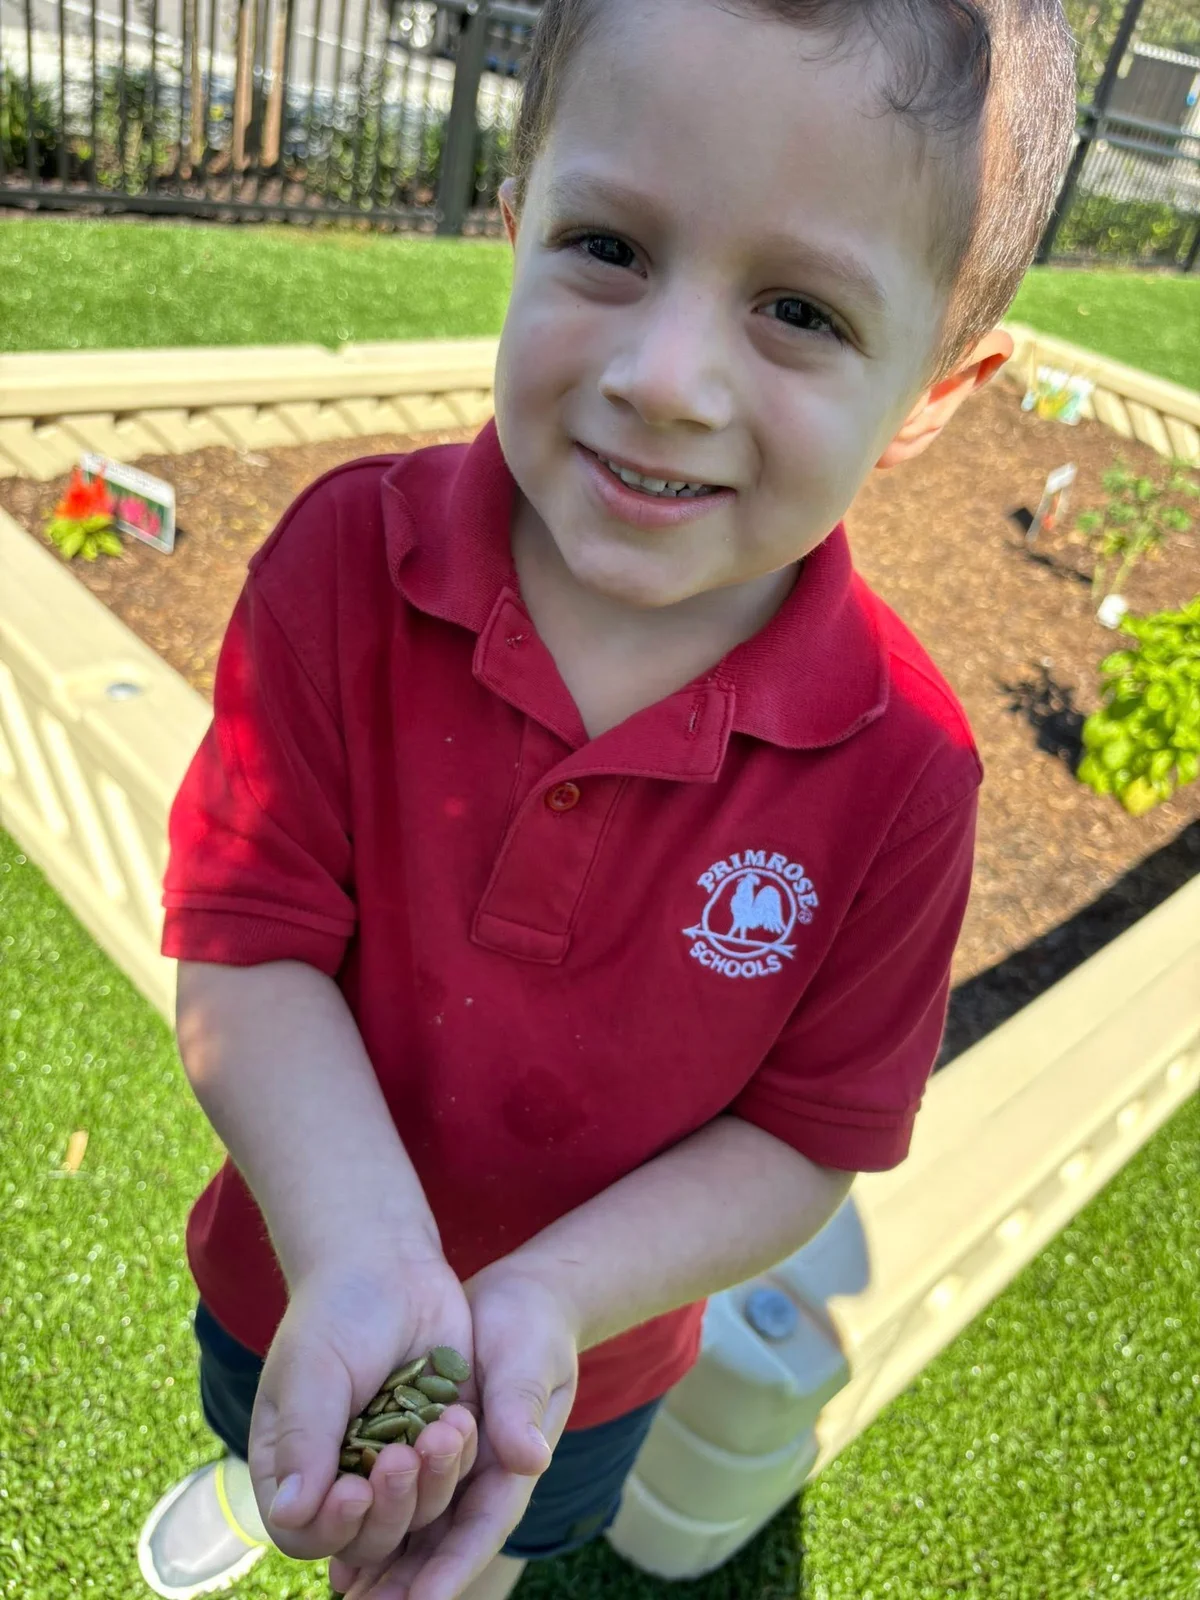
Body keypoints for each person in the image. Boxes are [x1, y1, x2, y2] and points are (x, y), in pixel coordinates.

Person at [136, 2, 1077, 1597]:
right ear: (513, 225)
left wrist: (547, 1302)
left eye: (797, 308)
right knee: (271, 1424)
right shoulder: (342, 565)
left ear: (936, 388)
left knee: (484, 1536)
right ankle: (258, 1477)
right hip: (289, 1258)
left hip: (579, 1363)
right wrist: (359, 1249)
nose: (664, 378)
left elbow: (801, 1136)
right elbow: (247, 939)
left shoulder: (905, 770)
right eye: (608, 247)